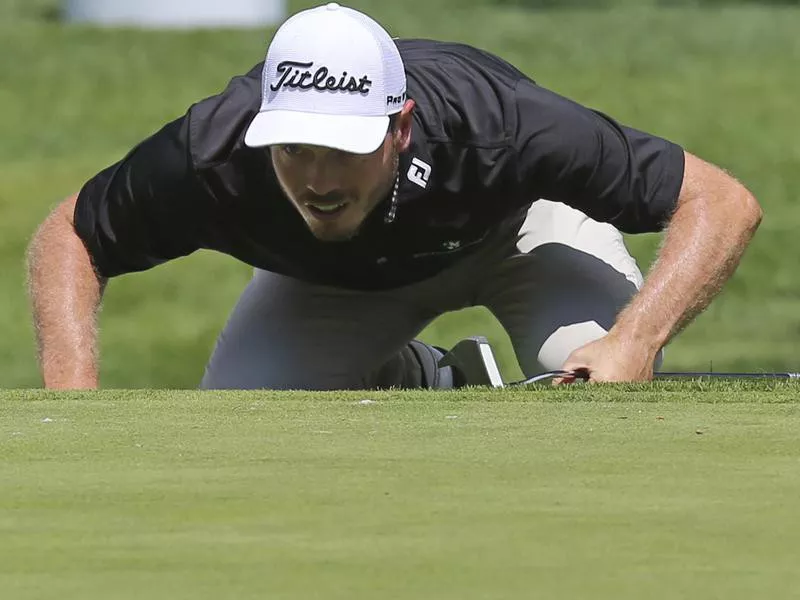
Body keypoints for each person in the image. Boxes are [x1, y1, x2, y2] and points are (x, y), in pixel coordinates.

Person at [27, 2, 762, 390]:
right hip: (336, 282)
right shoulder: (213, 152)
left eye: (343, 150)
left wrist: (634, 342)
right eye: (294, 149)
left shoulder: (501, 125)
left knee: (594, 381)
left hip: (518, 234)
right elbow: (72, 236)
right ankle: (427, 377)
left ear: (399, 126)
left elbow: (721, 200)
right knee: (248, 418)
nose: (317, 180)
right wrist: (74, 410)